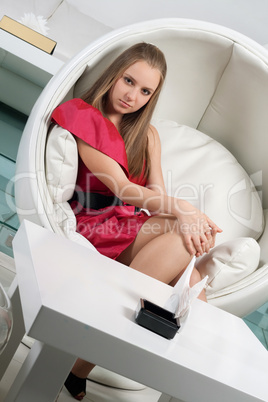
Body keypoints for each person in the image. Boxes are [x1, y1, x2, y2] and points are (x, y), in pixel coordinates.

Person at [51, 42, 222, 400]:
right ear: (114, 74)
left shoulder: (148, 135)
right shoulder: (83, 115)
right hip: (96, 223)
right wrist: (186, 211)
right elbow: (123, 188)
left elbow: (156, 195)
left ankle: (83, 364)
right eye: (128, 81)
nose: (133, 95)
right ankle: (84, 364)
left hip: (131, 225)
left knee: (190, 267)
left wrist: (192, 220)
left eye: (145, 91)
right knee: (184, 251)